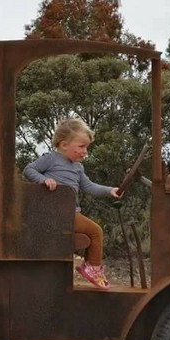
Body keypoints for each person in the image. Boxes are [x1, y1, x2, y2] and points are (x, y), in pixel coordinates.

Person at [23, 118, 121, 289]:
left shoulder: (78, 168)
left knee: (94, 233)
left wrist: (109, 190)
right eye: (81, 146)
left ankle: (90, 266)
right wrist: (44, 180)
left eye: (87, 147)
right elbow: (29, 170)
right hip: (55, 213)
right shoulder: (51, 159)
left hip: (70, 212)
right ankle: (94, 269)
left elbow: (89, 187)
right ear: (64, 144)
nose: (85, 152)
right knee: (96, 231)